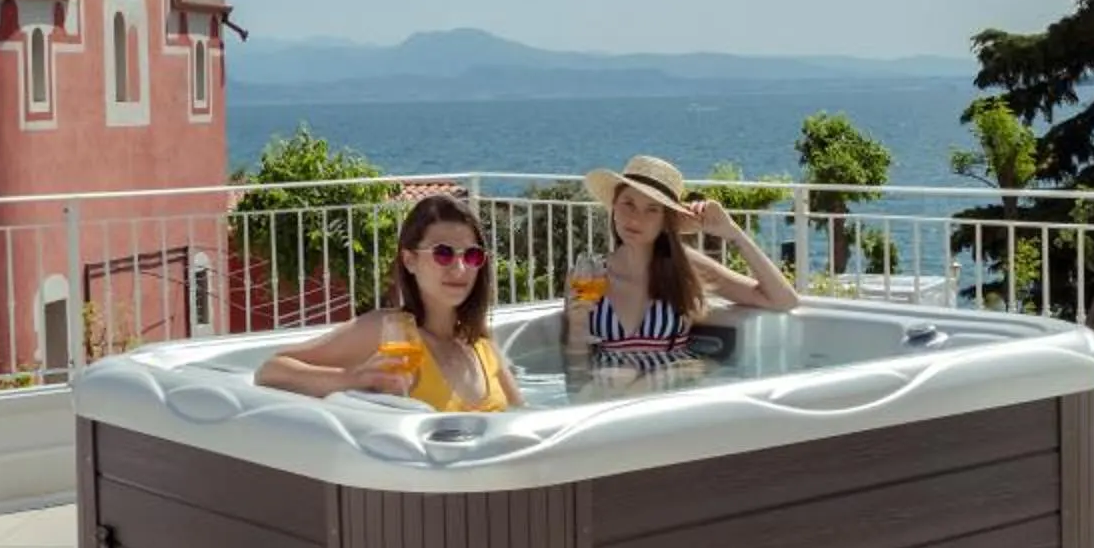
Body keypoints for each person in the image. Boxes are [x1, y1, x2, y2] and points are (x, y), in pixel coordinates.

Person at [255, 193, 524, 412]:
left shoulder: (482, 343)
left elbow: (523, 417)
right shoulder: (389, 333)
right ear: (409, 260)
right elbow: (271, 370)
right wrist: (353, 379)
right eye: (443, 254)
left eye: (472, 256)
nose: (460, 268)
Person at [565, 153, 797, 370]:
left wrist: (734, 233)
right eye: (628, 204)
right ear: (614, 206)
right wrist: (576, 328)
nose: (636, 218)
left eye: (652, 210)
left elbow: (783, 300)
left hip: (671, 392)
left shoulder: (684, 266)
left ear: (666, 220)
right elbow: (575, 364)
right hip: (609, 399)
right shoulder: (589, 275)